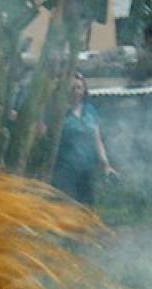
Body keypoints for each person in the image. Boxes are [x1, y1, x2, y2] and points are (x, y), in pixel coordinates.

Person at [49, 73, 116, 205]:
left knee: (87, 207)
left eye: (79, 88)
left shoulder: (89, 111)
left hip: (87, 168)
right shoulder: (57, 112)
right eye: (72, 88)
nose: (76, 92)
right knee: (69, 208)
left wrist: (105, 164)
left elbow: (97, 140)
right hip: (64, 170)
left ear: (84, 90)